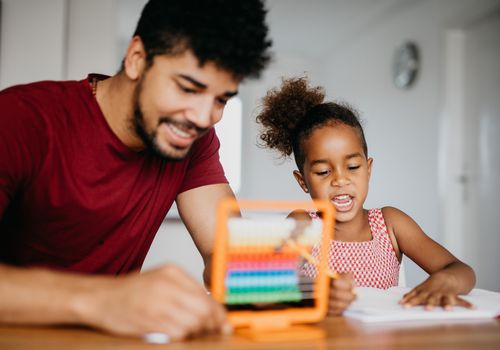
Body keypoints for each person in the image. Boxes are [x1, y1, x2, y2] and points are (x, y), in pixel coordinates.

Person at [0, 0, 272, 341]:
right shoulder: (20, 119)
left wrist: (287, 285)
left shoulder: (193, 142)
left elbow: (227, 252)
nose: (204, 118)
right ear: (136, 59)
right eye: (188, 88)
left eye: (221, 99)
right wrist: (104, 300)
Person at [255, 77, 476, 315]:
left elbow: (461, 270)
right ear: (303, 182)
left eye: (352, 167)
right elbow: (263, 288)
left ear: (368, 169)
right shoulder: (303, 225)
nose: (340, 180)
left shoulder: (391, 224)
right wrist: (314, 293)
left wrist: (448, 281)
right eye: (323, 172)